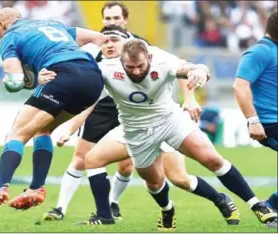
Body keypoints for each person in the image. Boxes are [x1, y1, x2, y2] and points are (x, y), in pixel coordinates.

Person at [41, 40, 277, 229]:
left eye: (140, 67)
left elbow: (194, 68)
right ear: (120, 61)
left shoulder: (162, 61)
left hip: (169, 120)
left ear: (149, 59)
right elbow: (77, 88)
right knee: (154, 183)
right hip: (135, 132)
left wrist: (200, 74)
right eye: (130, 67)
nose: (135, 71)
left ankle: (257, 205)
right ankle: (167, 210)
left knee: (211, 159)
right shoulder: (106, 69)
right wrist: (49, 80)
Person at [0, 7, 107, 216]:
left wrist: (27, 82)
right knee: (43, 131)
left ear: (2, 25)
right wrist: (82, 62)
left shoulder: (10, 37)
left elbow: (14, 82)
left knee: (16, 134)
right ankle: (35, 189)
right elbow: (99, 37)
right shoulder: (53, 25)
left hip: (62, 77)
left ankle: (0, 188)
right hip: (92, 80)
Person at [43, 1, 149, 221]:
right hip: (98, 108)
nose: (111, 22)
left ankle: (113, 204)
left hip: (128, 110)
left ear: (125, 20)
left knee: (127, 165)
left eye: (116, 18)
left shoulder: (140, 46)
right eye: (108, 19)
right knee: (81, 157)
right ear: (103, 20)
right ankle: (60, 208)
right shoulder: (93, 45)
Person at [233, 10, 278, 227]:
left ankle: (273, 205)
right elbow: (240, 86)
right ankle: (272, 205)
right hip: (270, 123)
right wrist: (253, 121)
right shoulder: (260, 52)